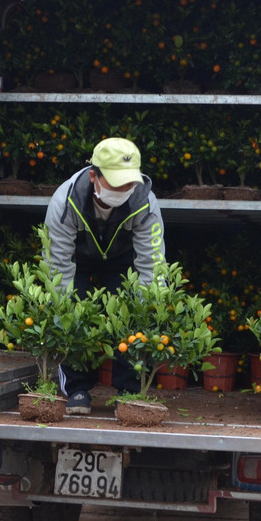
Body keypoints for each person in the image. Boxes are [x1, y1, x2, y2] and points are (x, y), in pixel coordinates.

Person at [44, 138, 165, 414]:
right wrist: (62, 308)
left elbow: (152, 262)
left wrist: (152, 308)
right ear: (93, 176)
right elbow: (58, 266)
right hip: (79, 260)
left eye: (128, 182)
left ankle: (129, 390)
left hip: (122, 260)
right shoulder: (65, 201)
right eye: (115, 182)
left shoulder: (144, 201)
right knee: (70, 310)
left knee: (133, 310)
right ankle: (76, 389)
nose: (124, 189)